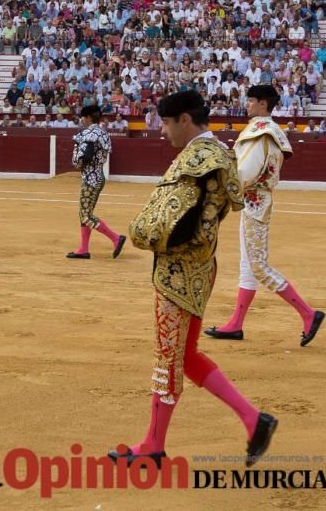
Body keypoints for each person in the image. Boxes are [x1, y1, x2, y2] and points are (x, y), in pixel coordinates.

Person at [108, 90, 278, 469]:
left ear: (184, 119)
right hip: (201, 268)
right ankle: (253, 420)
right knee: (185, 356)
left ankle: (153, 444)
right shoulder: (217, 154)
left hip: (179, 271)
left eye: (167, 123)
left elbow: (179, 223)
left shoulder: (199, 160)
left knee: (169, 357)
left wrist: (143, 233)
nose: (164, 131)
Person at [205, 85, 325, 347]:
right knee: (248, 265)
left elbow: (245, 173)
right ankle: (235, 324)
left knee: (257, 265)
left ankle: (308, 313)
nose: (246, 104)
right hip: (254, 203)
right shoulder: (268, 131)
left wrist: (224, 183)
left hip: (255, 202)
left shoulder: (261, 133)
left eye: (250, 100)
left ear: (262, 103)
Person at [67, 104, 126, 260]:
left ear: (88, 118)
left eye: (83, 117)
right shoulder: (103, 133)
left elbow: (87, 155)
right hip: (98, 175)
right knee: (85, 214)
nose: (81, 120)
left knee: (86, 215)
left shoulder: (89, 133)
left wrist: (79, 163)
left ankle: (115, 238)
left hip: (90, 178)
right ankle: (83, 249)